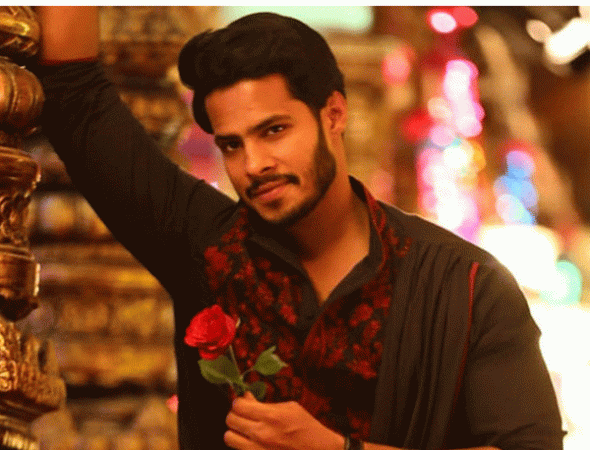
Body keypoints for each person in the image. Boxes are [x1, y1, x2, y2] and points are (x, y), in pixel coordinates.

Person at [34, 6, 564, 450]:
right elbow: (76, 96)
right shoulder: (206, 246)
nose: (254, 164)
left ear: (333, 114)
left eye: (274, 131)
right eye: (232, 145)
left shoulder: (463, 285)